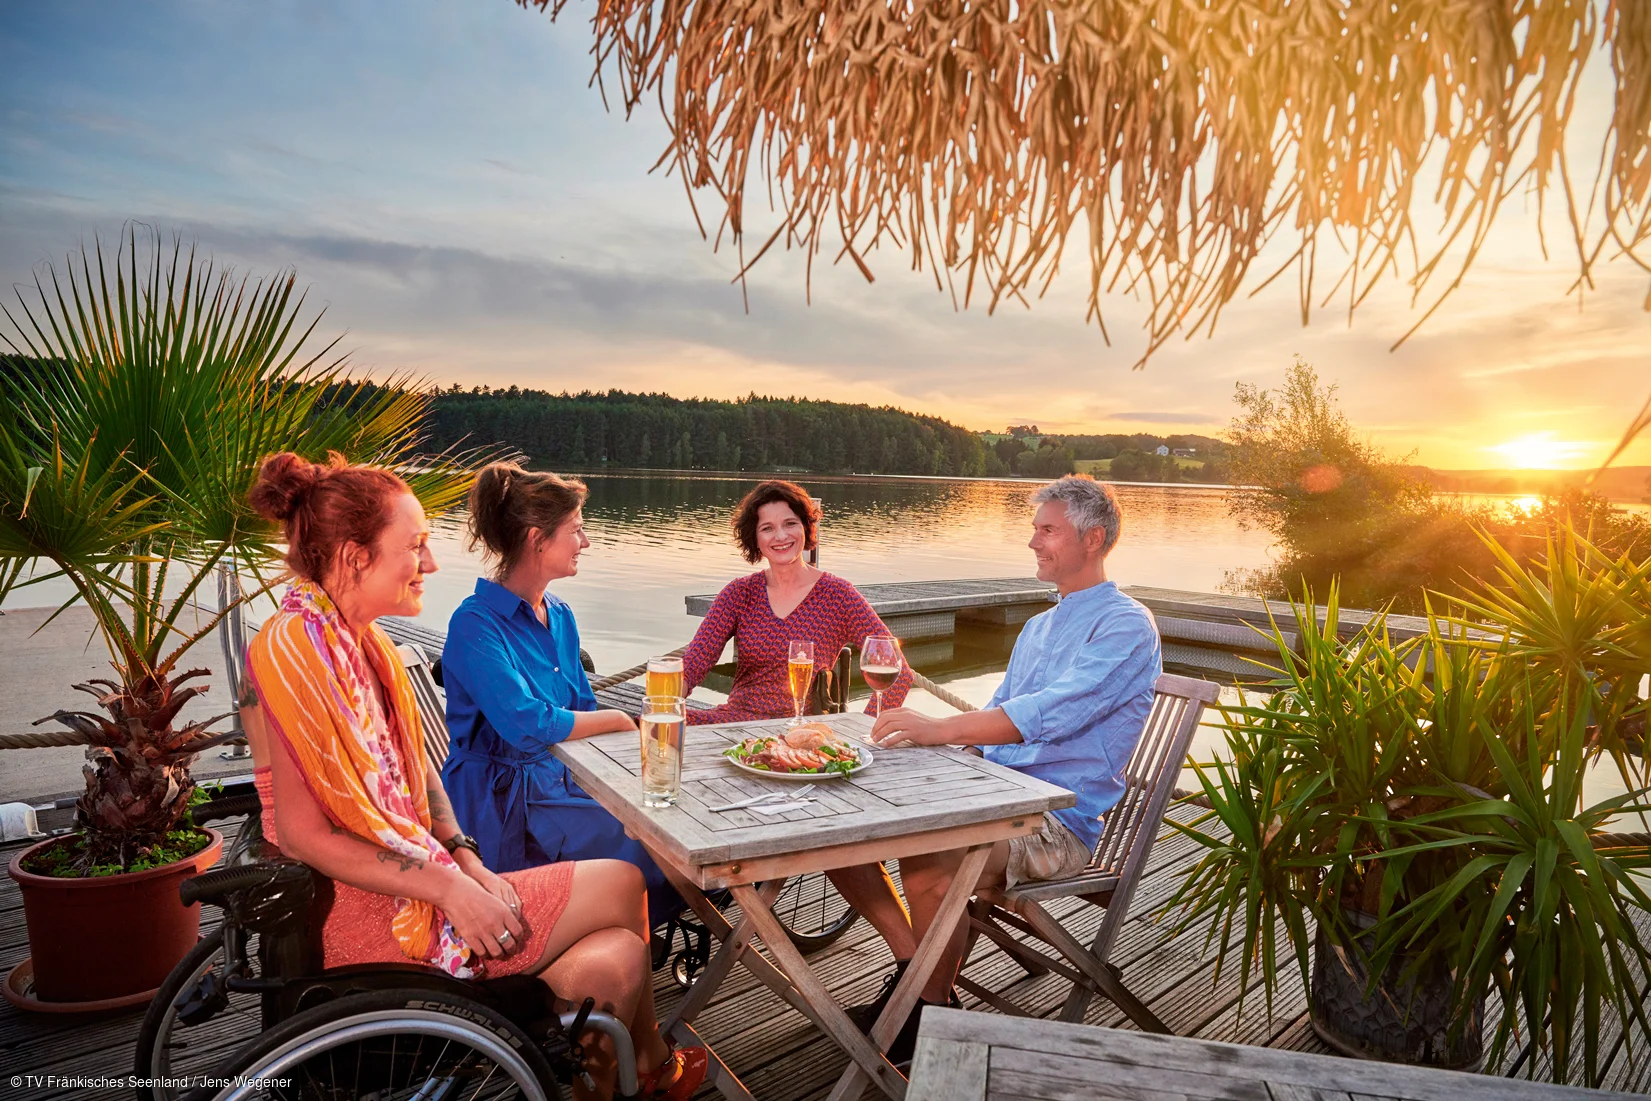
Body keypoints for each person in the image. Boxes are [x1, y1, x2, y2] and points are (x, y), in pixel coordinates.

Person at [244, 452, 704, 1101]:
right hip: (377, 924)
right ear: (353, 556)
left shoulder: (362, 643)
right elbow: (298, 833)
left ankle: (634, 1072)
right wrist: (451, 890)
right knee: (629, 882)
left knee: (622, 945)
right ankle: (647, 1067)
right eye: (416, 545)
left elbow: (420, 773)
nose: (431, 563)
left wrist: (466, 859)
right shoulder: (292, 651)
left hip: (435, 874)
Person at [829, 474, 1162, 1065]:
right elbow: (995, 721)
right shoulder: (1038, 627)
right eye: (1034, 530)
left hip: (1054, 825)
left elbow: (1043, 714)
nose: (1033, 542)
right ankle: (917, 979)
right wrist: (928, 747)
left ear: (1095, 538)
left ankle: (922, 1019)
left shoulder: (1126, 625)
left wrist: (941, 729)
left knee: (932, 862)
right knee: (849, 823)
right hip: (998, 795)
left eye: (1048, 530)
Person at [439, 463, 679, 926]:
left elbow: (579, 707)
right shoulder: (474, 624)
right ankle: (610, 940)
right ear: (536, 538)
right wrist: (617, 720)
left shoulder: (561, 615)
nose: (585, 543)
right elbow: (525, 724)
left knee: (672, 819)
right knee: (649, 844)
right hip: (503, 804)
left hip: (562, 779)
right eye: (577, 530)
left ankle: (627, 932)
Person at [681, 479, 913, 725]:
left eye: (790, 523)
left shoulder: (838, 595)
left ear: (806, 527)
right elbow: (693, 665)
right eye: (767, 528)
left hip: (805, 731)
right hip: (735, 724)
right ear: (755, 538)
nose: (780, 536)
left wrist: (864, 731)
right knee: (641, 726)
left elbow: (899, 674)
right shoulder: (740, 593)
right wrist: (664, 705)